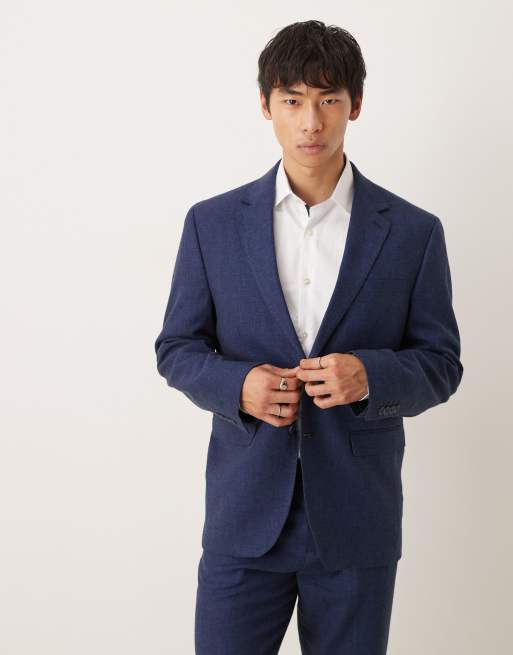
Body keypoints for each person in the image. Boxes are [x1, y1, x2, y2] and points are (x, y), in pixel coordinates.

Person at [154, 19, 463, 655]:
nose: (311, 122)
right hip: (244, 518)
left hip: (356, 524)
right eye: (292, 100)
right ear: (265, 104)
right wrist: (238, 385)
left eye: (329, 100)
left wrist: (370, 376)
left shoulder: (413, 232)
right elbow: (177, 348)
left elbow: (441, 363)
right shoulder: (212, 224)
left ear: (356, 105)